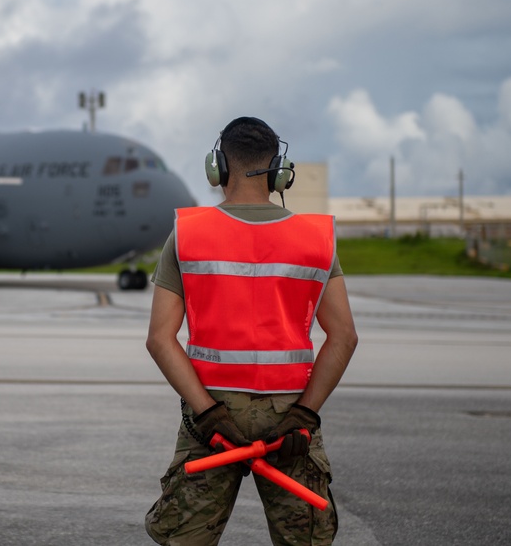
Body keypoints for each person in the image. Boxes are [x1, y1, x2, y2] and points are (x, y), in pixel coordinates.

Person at [144, 117, 358, 545]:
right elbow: (344, 337)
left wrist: (208, 415)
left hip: (212, 417)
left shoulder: (187, 235)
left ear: (217, 168)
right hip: (290, 419)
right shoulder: (316, 240)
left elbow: (159, 339)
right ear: (280, 171)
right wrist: (304, 415)